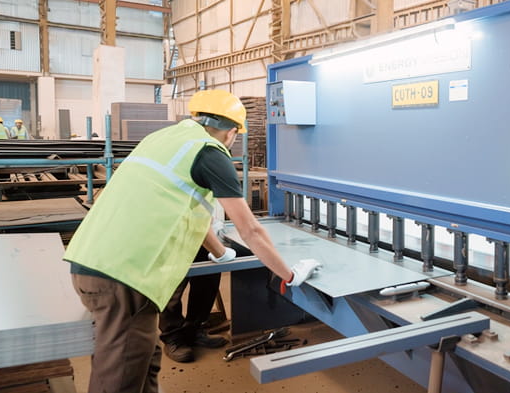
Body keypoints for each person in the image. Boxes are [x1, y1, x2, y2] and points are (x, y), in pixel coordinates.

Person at [63, 89, 321, 393]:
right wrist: (288, 274)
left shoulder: (162, 139)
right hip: (124, 275)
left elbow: (186, 209)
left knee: (143, 359)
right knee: (119, 379)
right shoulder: (211, 152)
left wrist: (222, 252)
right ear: (232, 131)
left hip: (92, 261)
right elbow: (251, 230)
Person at [159, 243, 231, 363]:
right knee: (172, 288)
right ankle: (173, 337)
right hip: (173, 236)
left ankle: (194, 330)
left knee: (207, 280)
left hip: (202, 236)